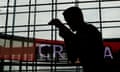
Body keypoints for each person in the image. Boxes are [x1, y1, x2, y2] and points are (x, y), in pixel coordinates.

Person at [48, 6, 105, 72]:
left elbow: (74, 55)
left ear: (75, 19)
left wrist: (65, 33)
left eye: (68, 20)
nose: (68, 24)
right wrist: (65, 32)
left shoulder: (86, 31)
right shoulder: (89, 30)